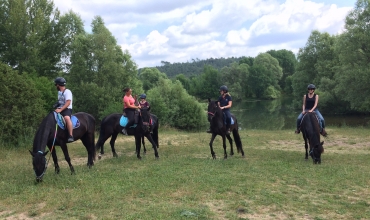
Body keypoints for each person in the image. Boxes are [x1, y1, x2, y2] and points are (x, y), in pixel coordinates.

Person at [54, 77, 74, 142]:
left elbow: (68, 103)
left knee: (67, 118)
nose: (56, 86)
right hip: (60, 108)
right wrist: (57, 104)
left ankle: (71, 135)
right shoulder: (59, 92)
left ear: (58, 85)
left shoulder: (67, 92)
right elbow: (60, 101)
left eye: (56, 84)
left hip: (67, 109)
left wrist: (61, 110)